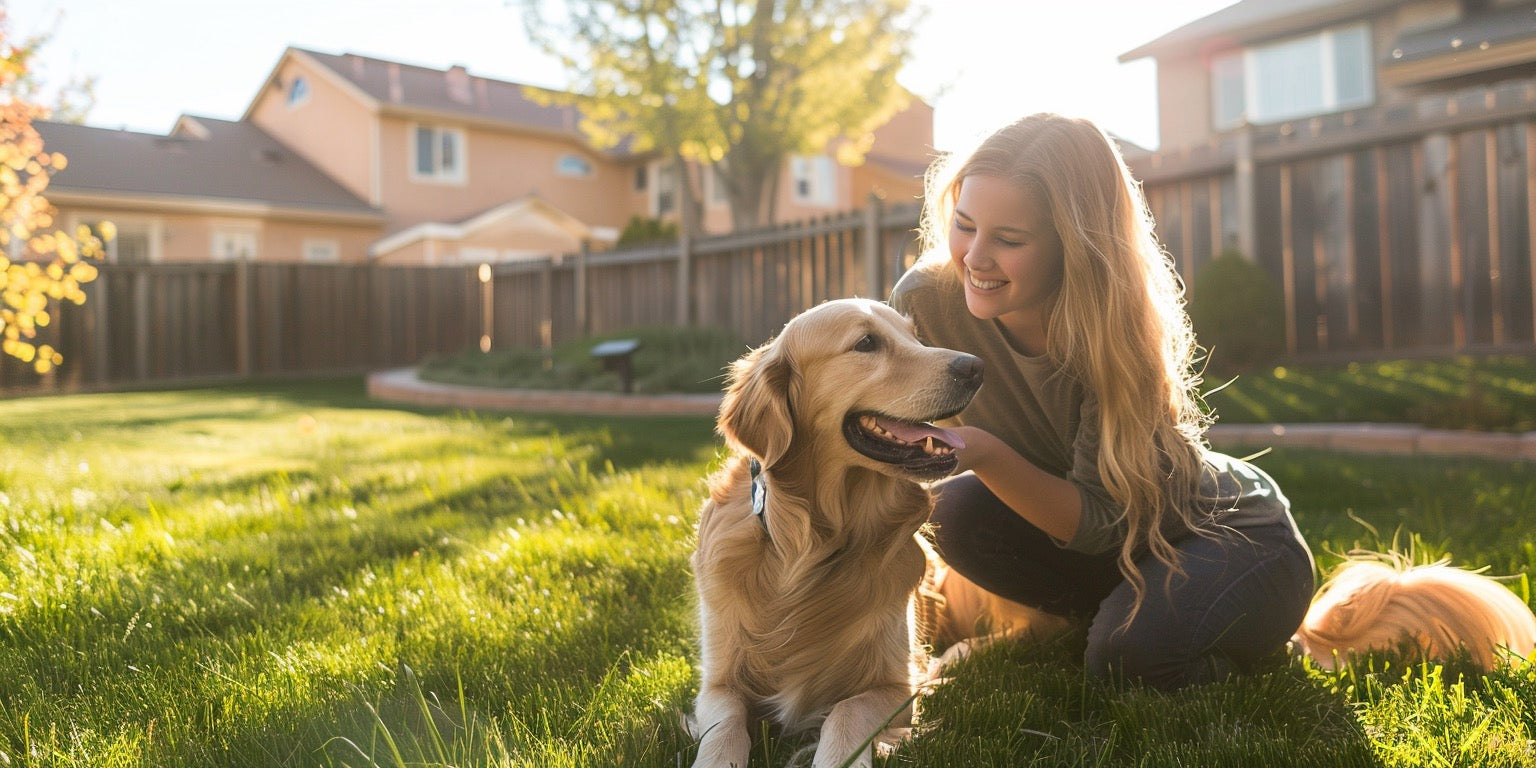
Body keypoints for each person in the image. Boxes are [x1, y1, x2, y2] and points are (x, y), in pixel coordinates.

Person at [888, 113, 1315, 689]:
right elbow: (875, 421)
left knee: (1128, 664)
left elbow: (1097, 522)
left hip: (1223, 536)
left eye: (1009, 240)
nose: (974, 257)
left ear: (1075, 245)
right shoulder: (927, 302)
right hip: (1111, 555)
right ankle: (1109, 621)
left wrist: (983, 451)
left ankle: (1235, 637)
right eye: (964, 225)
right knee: (952, 510)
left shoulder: (1115, 336)